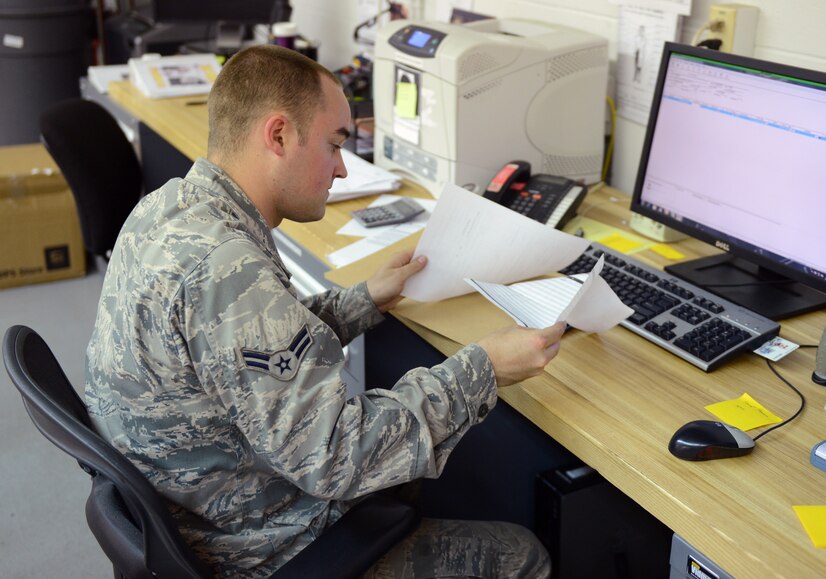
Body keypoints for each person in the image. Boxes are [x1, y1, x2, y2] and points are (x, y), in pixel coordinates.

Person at [85, 44, 566, 578]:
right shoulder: (228, 266)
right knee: (524, 556)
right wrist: (484, 368)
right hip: (252, 547)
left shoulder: (169, 207)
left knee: (415, 465)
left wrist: (362, 300)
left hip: (190, 504)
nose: (340, 169)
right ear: (278, 135)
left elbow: (243, 351)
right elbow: (336, 457)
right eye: (335, 144)